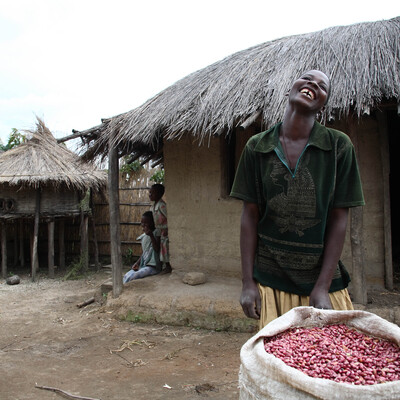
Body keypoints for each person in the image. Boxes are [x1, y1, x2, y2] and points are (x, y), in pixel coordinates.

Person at [230, 70, 365, 329]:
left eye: (322, 86)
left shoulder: (339, 147)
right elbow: (249, 215)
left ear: (323, 103)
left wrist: (323, 287)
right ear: (290, 88)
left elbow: (339, 220)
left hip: (321, 283)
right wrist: (248, 282)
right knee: (277, 363)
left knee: (330, 362)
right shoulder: (257, 147)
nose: (313, 84)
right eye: (306, 78)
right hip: (271, 281)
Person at [123, 211, 161, 283]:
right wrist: (137, 263)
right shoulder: (144, 236)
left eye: (146, 223)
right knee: (127, 275)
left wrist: (151, 235)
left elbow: (157, 249)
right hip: (144, 265)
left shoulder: (156, 233)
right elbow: (144, 253)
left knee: (134, 276)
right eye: (142, 223)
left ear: (152, 223)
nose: (143, 225)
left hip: (154, 267)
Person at [149, 183, 172, 273]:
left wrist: (167, 229)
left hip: (164, 230)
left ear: (159, 194)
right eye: (150, 193)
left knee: (164, 248)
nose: (150, 195)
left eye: (152, 193)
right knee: (159, 248)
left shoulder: (162, 206)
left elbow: (169, 218)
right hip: (158, 230)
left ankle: (168, 266)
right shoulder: (153, 206)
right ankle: (160, 266)